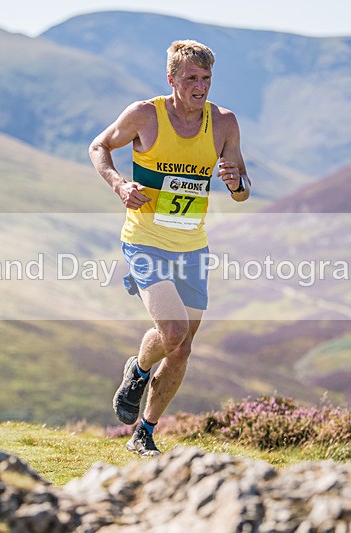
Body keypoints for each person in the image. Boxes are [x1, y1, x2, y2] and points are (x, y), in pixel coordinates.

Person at [88, 39, 251, 456]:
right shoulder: (145, 115)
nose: (201, 87)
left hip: (192, 247)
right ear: (172, 79)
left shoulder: (225, 123)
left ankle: (144, 431)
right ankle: (140, 368)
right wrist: (119, 183)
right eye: (192, 78)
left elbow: (242, 190)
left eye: (207, 79)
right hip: (145, 240)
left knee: (182, 349)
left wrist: (236, 183)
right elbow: (99, 146)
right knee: (173, 332)